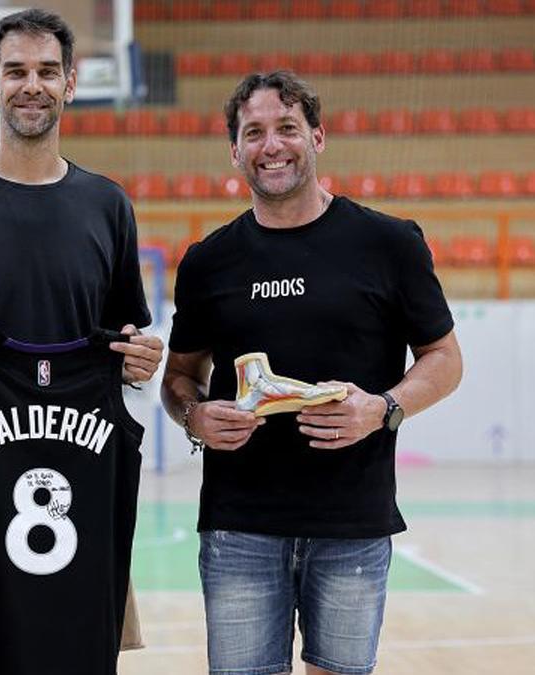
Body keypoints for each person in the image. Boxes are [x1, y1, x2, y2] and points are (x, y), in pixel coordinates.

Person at [160, 71, 462, 675]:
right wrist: (195, 417)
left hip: (352, 524)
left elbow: (445, 359)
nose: (271, 145)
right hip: (239, 526)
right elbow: (179, 377)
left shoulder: (389, 243)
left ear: (317, 137)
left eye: (287, 128)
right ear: (235, 151)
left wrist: (382, 408)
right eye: (254, 133)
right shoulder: (208, 262)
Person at [0, 8, 164, 670]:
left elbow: (127, 340)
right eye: (15, 71)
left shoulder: (108, 205)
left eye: (47, 71)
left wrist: (140, 359)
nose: (31, 85)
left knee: (75, 652)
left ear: (71, 83)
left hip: (82, 473)